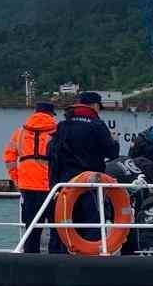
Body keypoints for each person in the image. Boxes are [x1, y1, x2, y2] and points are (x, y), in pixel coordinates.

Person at [46, 91, 120, 253]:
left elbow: (52, 155)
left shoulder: (63, 126)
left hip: (65, 185)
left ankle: (59, 261)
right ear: (94, 106)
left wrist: (54, 185)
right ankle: (89, 263)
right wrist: (115, 141)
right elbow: (112, 153)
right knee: (92, 225)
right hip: (90, 185)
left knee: (62, 227)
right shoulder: (97, 125)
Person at [4, 102, 57, 252]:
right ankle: (55, 260)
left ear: (35, 112)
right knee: (56, 227)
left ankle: (30, 260)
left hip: (27, 187)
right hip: (51, 187)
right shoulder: (57, 131)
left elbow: (9, 158)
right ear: (51, 114)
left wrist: (17, 180)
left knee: (31, 229)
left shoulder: (19, 132)